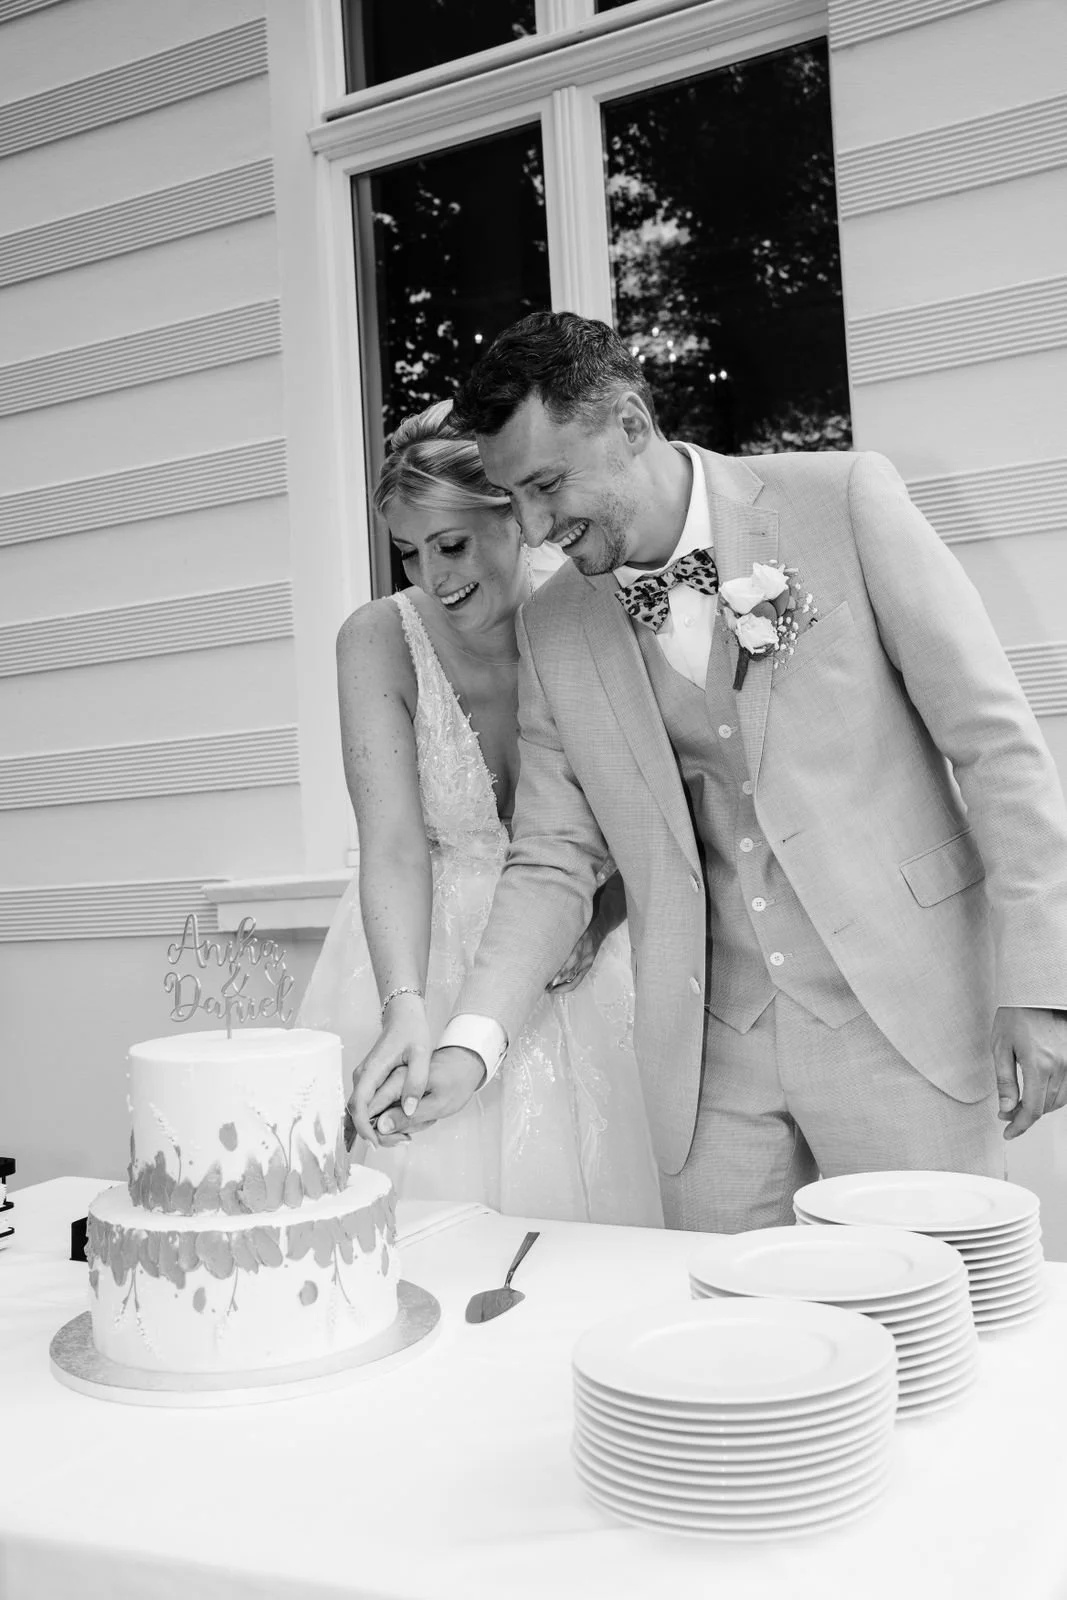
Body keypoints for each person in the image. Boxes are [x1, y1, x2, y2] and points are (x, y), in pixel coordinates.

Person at [353, 311, 1067, 1235]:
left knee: (932, 1320)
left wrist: (1042, 985)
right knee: (731, 1351)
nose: (531, 528)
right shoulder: (556, 623)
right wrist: (468, 1045)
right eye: (512, 497)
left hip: (901, 1016)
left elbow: (994, 744)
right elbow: (553, 859)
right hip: (706, 1057)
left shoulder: (839, 499)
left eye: (545, 485)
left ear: (631, 425)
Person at [297, 399, 662, 1226]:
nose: (434, 575)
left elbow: (659, 812)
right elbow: (391, 846)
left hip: (595, 946)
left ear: (515, 515)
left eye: (451, 543)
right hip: (426, 946)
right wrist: (407, 1002)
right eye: (409, 553)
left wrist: (603, 915)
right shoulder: (375, 640)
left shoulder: (596, 613)